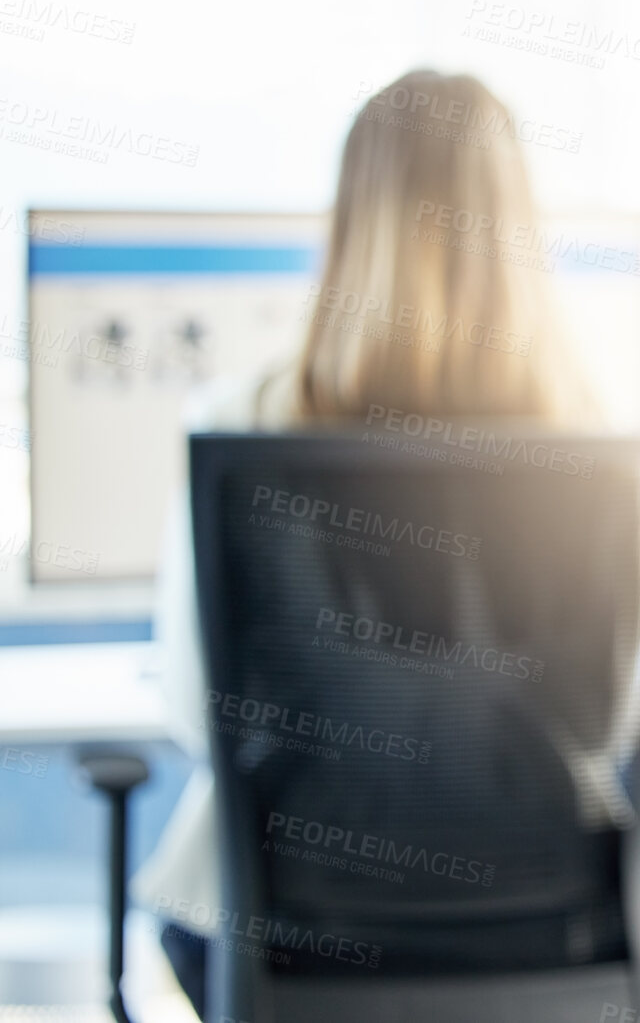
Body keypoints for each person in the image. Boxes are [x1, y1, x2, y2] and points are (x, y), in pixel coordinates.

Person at [132, 69, 606, 1018]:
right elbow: (603, 721)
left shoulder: (242, 424)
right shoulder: (594, 446)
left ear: (351, 226)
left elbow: (195, 712)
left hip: (286, 927)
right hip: (539, 917)